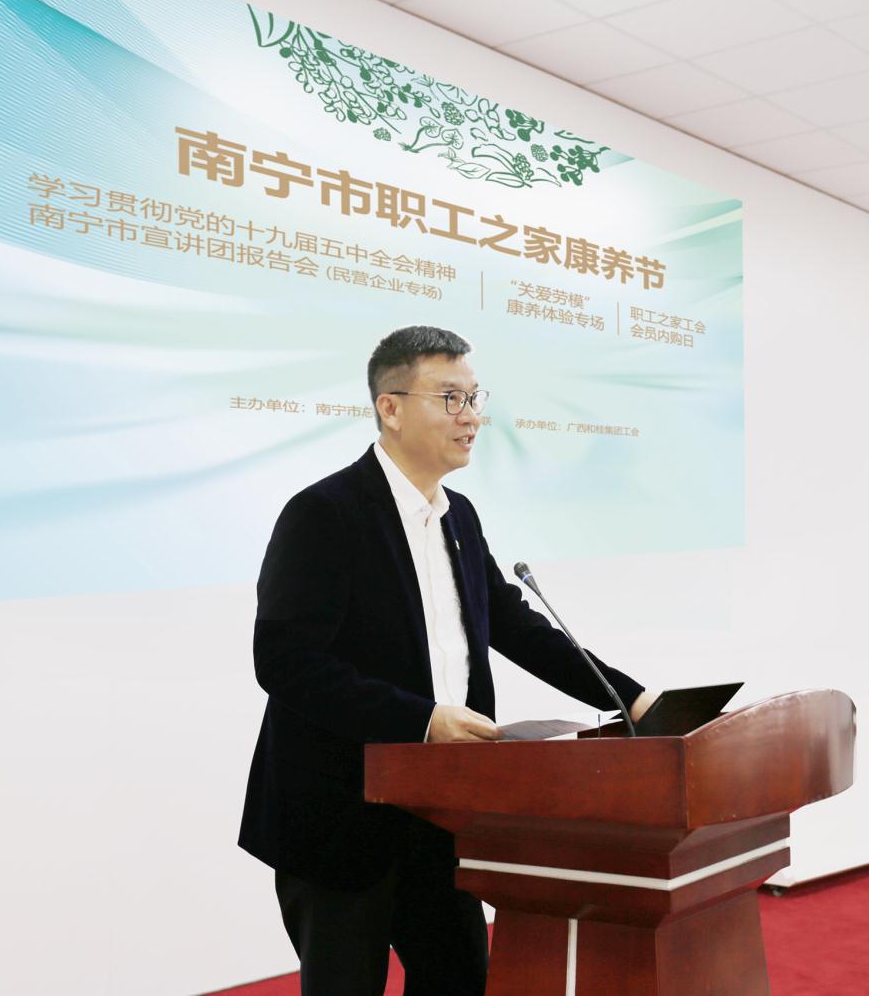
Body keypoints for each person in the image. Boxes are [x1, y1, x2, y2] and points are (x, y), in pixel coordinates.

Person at [238, 325, 658, 996]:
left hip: (442, 813)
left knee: (459, 977)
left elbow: (515, 627)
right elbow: (285, 662)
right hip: (340, 816)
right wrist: (423, 719)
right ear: (390, 407)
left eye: (474, 397)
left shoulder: (458, 515)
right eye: (450, 398)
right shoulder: (325, 513)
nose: (471, 416)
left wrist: (628, 697)